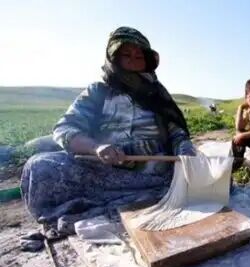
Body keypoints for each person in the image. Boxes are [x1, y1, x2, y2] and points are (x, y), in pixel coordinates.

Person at [20, 27, 195, 232]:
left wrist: (185, 151)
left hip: (156, 171)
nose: (133, 60)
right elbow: (65, 128)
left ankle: (152, 193)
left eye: (139, 56)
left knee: (208, 171)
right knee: (39, 167)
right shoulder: (97, 92)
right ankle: (137, 198)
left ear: (147, 60)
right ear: (113, 59)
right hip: (104, 171)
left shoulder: (157, 94)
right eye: (126, 55)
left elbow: (177, 132)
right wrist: (97, 147)